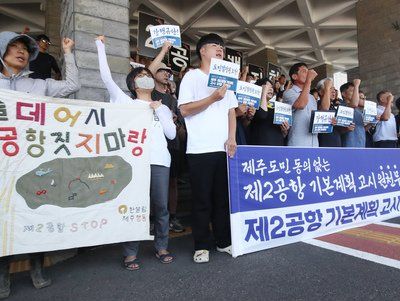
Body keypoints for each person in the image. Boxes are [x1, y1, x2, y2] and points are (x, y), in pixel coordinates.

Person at [0, 30, 80, 299]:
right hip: (2, 162)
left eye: (25, 49)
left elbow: (71, 85)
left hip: (33, 161)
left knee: (36, 211)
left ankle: (36, 267)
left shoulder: (39, 85)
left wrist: (67, 53)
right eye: (14, 47)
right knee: (3, 218)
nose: (21, 52)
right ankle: (3, 273)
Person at [95, 36, 176, 270]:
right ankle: (130, 252)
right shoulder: (125, 102)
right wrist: (100, 46)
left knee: (161, 207)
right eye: (141, 76)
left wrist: (160, 111)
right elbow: (106, 78)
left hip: (160, 161)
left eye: (148, 76)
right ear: (133, 84)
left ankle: (162, 246)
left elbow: (171, 135)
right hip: (134, 164)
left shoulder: (162, 106)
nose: (146, 79)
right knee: (134, 207)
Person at [178, 33, 237, 263]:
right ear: (202, 51)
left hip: (223, 148)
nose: (220, 49)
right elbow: (184, 110)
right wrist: (212, 98)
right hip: (200, 149)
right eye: (214, 46)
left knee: (222, 199)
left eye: (222, 47)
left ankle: (223, 242)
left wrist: (232, 137)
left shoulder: (227, 80)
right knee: (202, 200)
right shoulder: (192, 77)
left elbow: (231, 111)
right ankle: (201, 245)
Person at [148, 43, 185, 233]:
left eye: (169, 72)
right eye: (162, 70)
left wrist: (175, 122)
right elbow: (148, 70)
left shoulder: (173, 98)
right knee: (152, 184)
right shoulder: (148, 93)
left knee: (172, 182)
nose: (166, 74)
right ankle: (153, 218)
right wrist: (163, 50)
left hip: (172, 144)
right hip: (153, 146)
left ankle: (172, 216)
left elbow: (180, 125)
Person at [283, 62, 318, 147]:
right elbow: (301, 105)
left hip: (314, 143)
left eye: (308, 71)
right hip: (298, 143)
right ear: (294, 76)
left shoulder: (312, 97)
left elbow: (316, 119)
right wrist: (309, 80)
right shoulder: (289, 93)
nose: (308, 73)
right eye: (304, 71)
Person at [248, 78, 290, 146]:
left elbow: (283, 133)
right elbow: (262, 114)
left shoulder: (276, 108)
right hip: (260, 148)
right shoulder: (253, 105)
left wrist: (284, 130)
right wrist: (263, 93)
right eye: (266, 87)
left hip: (277, 147)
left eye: (271, 87)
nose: (270, 89)